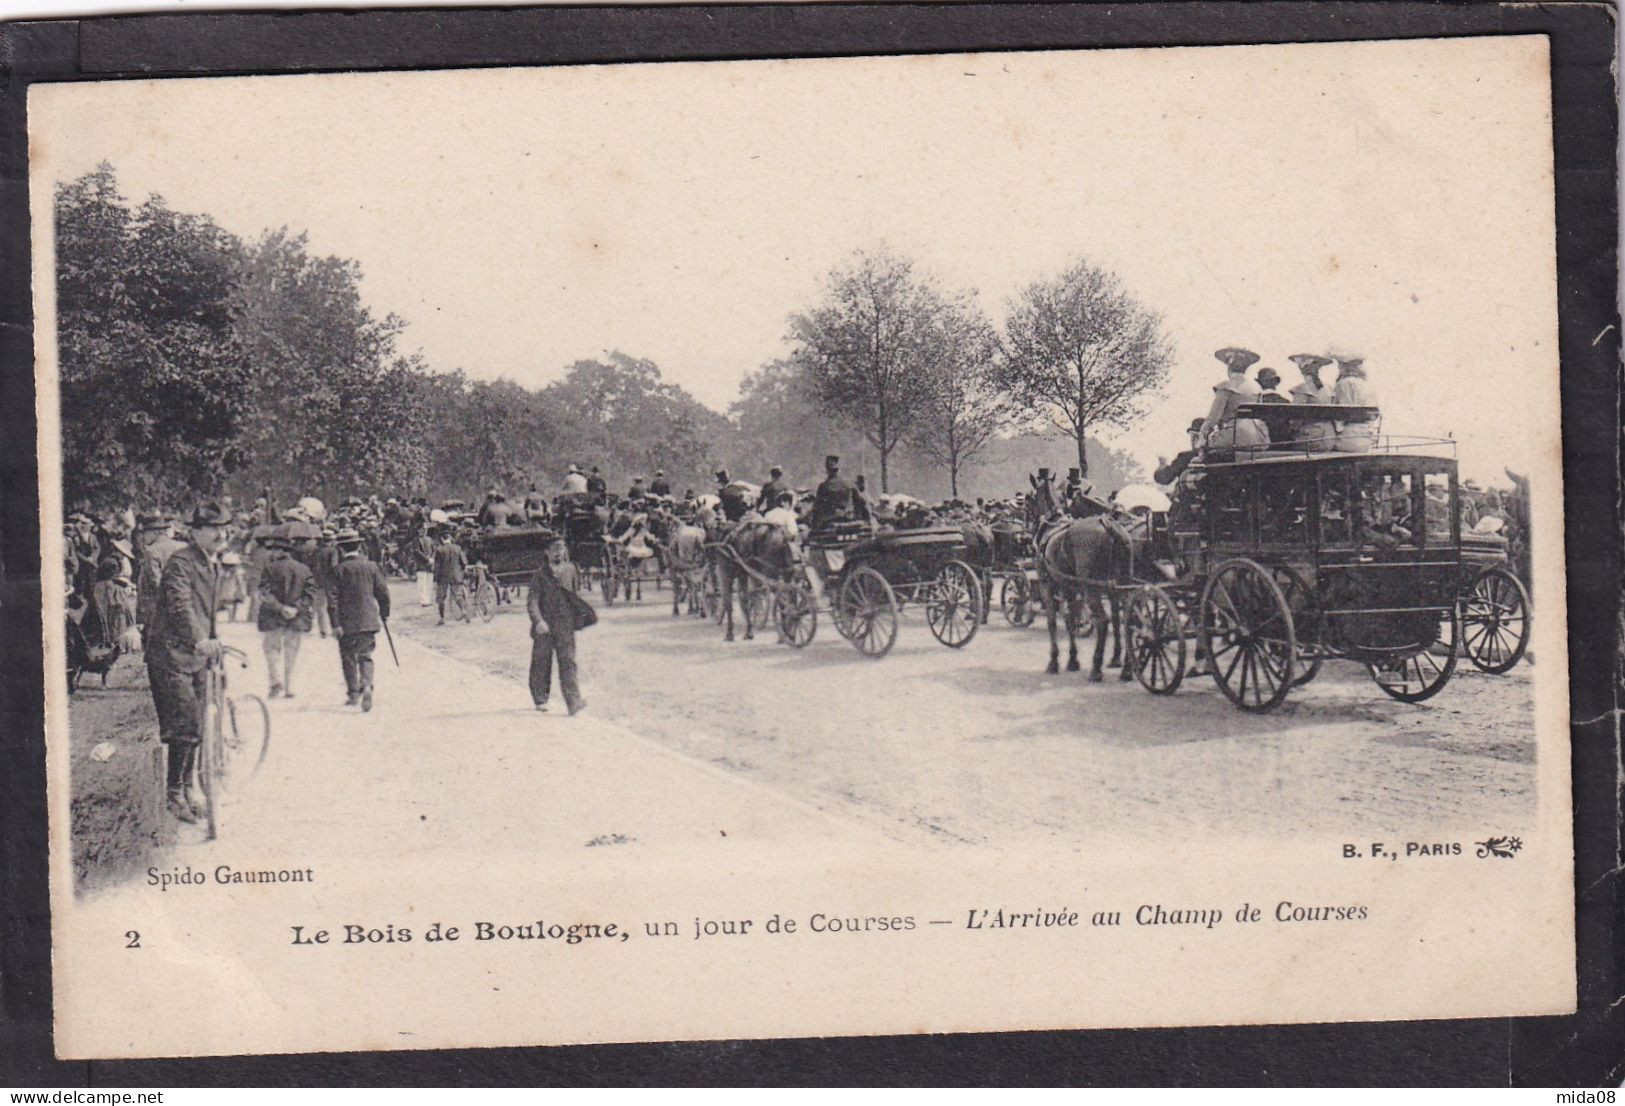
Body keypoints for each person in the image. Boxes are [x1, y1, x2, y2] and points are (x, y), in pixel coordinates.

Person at [145, 502, 229, 824]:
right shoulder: (181, 562)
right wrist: (199, 639)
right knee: (185, 725)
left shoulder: (211, 563)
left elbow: (206, 614)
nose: (220, 534)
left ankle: (189, 789)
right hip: (171, 656)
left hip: (195, 657)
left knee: (198, 727)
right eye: (212, 528)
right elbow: (180, 605)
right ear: (195, 531)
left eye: (223, 528)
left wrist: (213, 642)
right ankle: (173, 795)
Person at [527, 537, 593, 715]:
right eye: (554, 549)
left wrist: (578, 618)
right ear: (547, 552)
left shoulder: (571, 570)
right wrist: (538, 620)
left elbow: (575, 596)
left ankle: (573, 702)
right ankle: (540, 698)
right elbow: (532, 600)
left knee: (568, 662)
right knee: (541, 661)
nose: (558, 552)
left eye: (562, 549)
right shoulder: (539, 574)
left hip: (565, 625)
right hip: (545, 626)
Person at [327, 528, 391, 711]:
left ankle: (353, 693)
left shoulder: (337, 570)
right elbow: (383, 593)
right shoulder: (371, 567)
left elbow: (332, 600)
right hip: (368, 620)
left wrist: (335, 623)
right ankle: (368, 684)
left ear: (340, 549)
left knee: (347, 657)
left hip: (346, 623)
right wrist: (384, 613)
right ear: (359, 546)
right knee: (366, 656)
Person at [255, 528, 315, 698]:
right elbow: (310, 594)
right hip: (296, 617)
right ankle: (290, 686)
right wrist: (296, 608)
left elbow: (264, 593)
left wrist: (280, 608)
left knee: (271, 650)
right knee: (292, 652)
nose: (272, 553)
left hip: (273, 616)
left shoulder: (269, 568)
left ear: (281, 551)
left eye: (274, 549)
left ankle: (275, 683)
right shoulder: (304, 570)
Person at [1200, 347, 1269, 455]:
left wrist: (1201, 435)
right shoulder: (1257, 388)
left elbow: (1213, 418)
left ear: (1229, 368)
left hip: (1233, 438)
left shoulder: (1225, 387)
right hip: (1258, 438)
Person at [135, 512, 184, 648]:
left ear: (155, 533)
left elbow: (156, 582)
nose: (143, 537)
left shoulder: (152, 551)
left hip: (159, 607)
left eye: (145, 533)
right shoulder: (182, 547)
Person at [807, 455, 870, 532]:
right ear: (839, 470)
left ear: (827, 469)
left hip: (829, 522)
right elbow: (861, 502)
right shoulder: (849, 484)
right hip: (848, 519)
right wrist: (866, 520)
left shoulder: (823, 486)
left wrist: (814, 526)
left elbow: (817, 508)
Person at [1287, 354, 1336, 451]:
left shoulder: (1302, 389)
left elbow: (1296, 416)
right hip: (1329, 436)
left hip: (1311, 436)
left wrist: (1290, 429)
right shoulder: (1328, 388)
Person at [1332, 356, 1378, 452]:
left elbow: (1342, 411)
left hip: (1348, 436)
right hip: (1366, 436)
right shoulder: (1367, 384)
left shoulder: (1343, 384)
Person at [1154, 419, 1209, 486]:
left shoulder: (1185, 458)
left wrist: (1162, 465)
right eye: (1191, 436)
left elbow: (1165, 478)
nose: (1192, 440)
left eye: (1196, 436)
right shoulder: (1219, 456)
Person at [432, 526, 468, 624]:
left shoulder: (439, 550)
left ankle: (442, 618)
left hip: (443, 577)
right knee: (458, 595)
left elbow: (437, 567)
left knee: (441, 598)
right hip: (456, 576)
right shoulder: (457, 548)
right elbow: (464, 563)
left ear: (442, 539)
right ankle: (464, 611)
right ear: (449, 538)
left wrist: (435, 580)